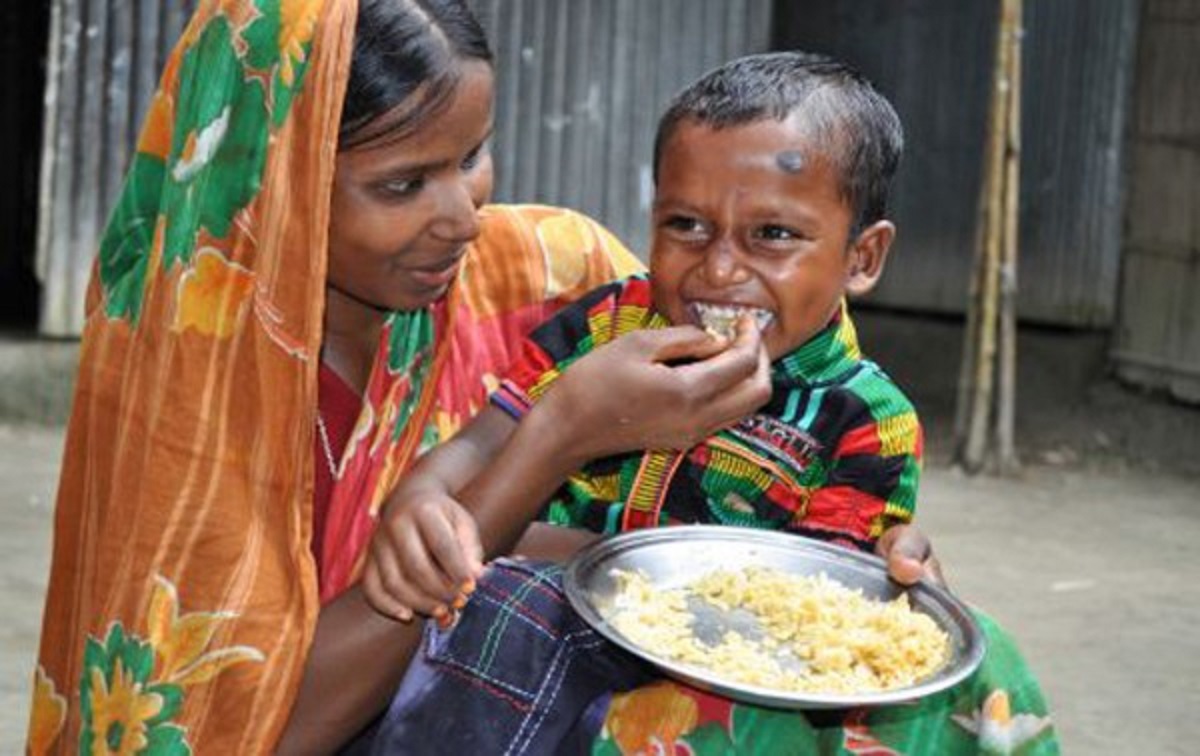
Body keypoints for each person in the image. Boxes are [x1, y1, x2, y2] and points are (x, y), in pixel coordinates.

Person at [24, 3, 942, 754]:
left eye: (470, 159)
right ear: (276, 184)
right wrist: (557, 437)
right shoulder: (194, 390)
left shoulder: (550, 270)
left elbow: (770, 441)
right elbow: (250, 732)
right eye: (402, 184)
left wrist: (858, 578)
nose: (462, 216)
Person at [363, 53, 1060, 755]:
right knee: (510, 607)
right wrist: (419, 497)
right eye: (686, 225)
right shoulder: (605, 327)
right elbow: (480, 447)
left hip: (707, 686)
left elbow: (798, 613)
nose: (719, 270)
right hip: (536, 638)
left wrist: (547, 543)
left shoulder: (864, 422)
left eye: (774, 235)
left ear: (863, 258)